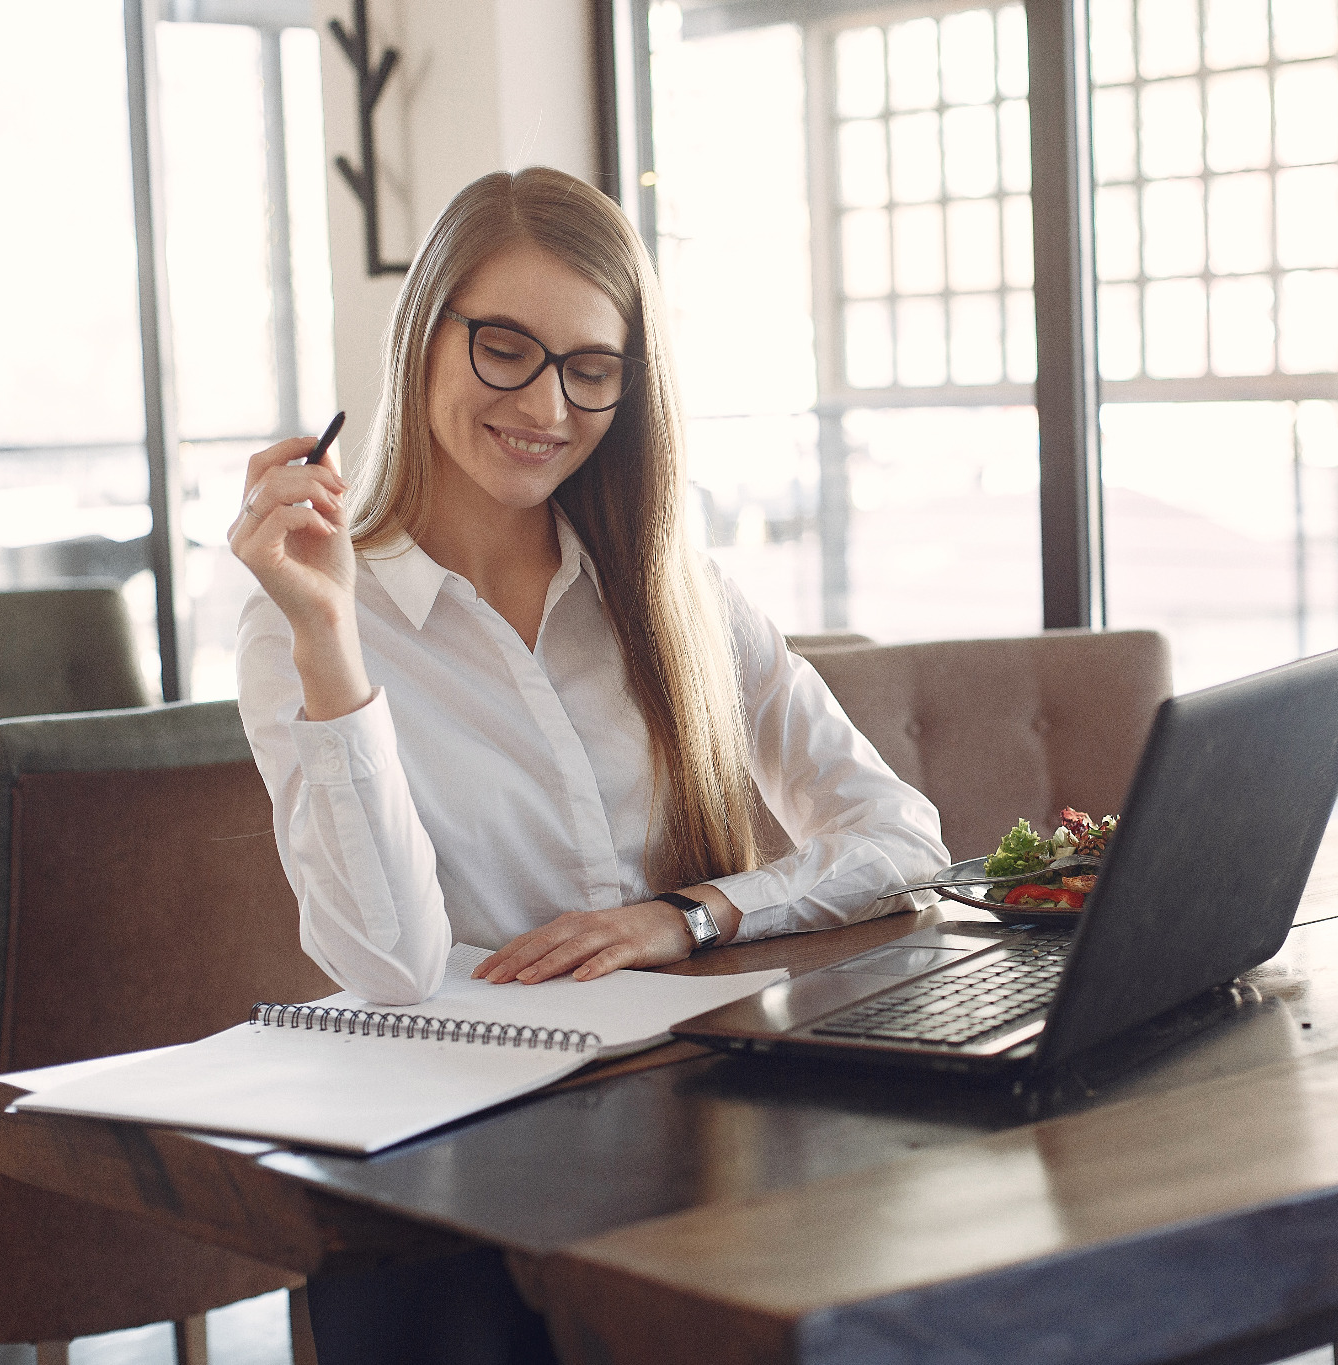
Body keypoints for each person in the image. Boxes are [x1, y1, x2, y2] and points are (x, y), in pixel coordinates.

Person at [227, 167, 948, 1365]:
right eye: (504, 349)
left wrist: (693, 915)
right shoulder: (303, 620)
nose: (547, 405)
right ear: (424, 337)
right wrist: (329, 638)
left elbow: (900, 837)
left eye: (590, 368)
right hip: (455, 1160)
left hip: (690, 1120)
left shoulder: (678, 594)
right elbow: (388, 967)